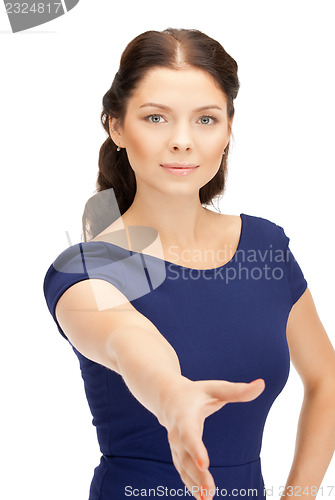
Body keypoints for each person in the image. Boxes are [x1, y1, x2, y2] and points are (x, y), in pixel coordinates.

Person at [43, 28, 335, 500]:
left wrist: (298, 495)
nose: (182, 141)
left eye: (205, 119)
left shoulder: (265, 247)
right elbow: (128, 343)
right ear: (116, 126)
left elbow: (326, 379)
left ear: (228, 129)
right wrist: (173, 397)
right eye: (156, 117)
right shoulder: (84, 269)